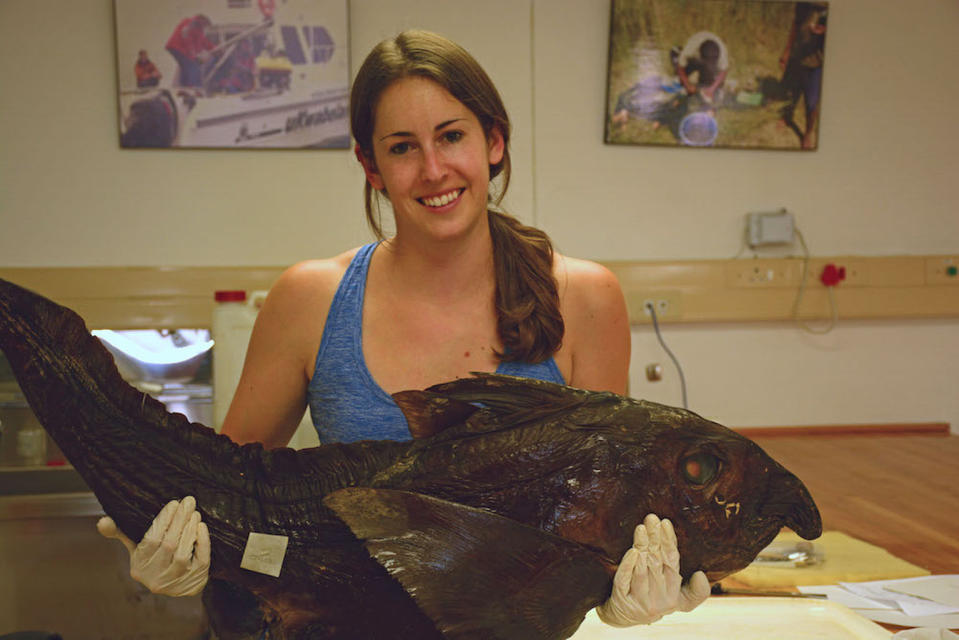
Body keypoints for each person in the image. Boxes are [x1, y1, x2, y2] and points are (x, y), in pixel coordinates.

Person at [97, 29, 710, 629]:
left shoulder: (585, 298)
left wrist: (624, 593)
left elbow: (603, 513)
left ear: (493, 142)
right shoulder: (312, 298)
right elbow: (226, 488)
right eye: (402, 147)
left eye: (451, 136)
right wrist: (175, 554)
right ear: (370, 165)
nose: (433, 169)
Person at [779, 2, 827, 149]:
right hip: (797, 58)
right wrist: (787, 51)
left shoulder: (826, 8)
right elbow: (796, 25)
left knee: (811, 102)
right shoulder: (802, 5)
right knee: (792, 92)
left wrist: (823, 31)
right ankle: (786, 117)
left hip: (815, 63)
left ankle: (808, 133)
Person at [672, 31, 729, 104]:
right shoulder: (691, 47)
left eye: (711, 62)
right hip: (693, 59)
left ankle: (704, 84)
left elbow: (723, 71)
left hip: (705, 59)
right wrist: (687, 84)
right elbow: (680, 66)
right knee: (681, 80)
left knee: (709, 82)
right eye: (707, 62)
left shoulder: (722, 51)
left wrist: (711, 89)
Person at [165, 14, 216, 88]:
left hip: (181, 49)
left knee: (186, 67)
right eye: (205, 25)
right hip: (178, 48)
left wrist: (214, 47)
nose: (205, 27)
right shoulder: (191, 23)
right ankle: (195, 87)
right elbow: (186, 37)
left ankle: (185, 87)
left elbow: (203, 41)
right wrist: (193, 54)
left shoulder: (198, 29)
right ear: (202, 21)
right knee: (193, 67)